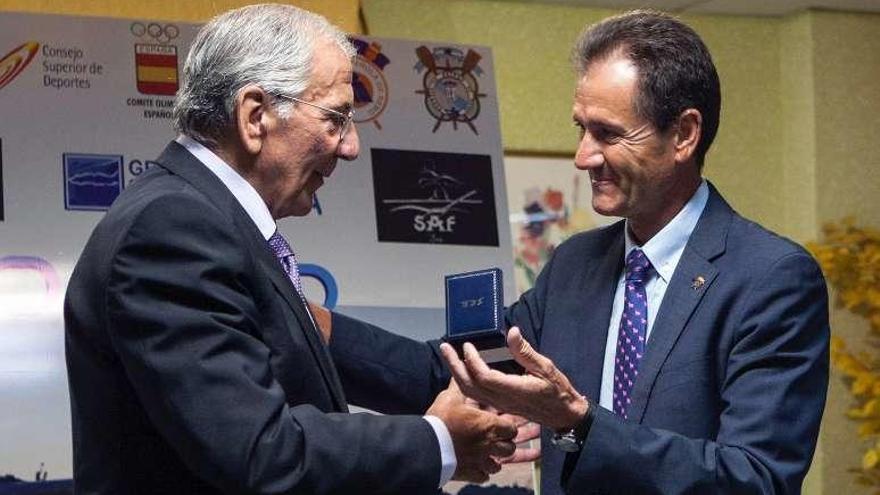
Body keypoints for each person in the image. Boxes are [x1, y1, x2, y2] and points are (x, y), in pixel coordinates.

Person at [325, 9, 830, 495]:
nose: (583, 156)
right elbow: (461, 370)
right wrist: (307, 319)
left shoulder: (770, 279)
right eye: (581, 129)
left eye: (608, 133)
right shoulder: (576, 265)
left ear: (684, 134)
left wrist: (577, 422)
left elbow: (756, 478)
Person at [64, 4, 522, 494]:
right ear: (255, 116)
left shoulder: (205, 219)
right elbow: (262, 453)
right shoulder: (173, 228)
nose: (351, 147)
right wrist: (439, 442)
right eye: (336, 118)